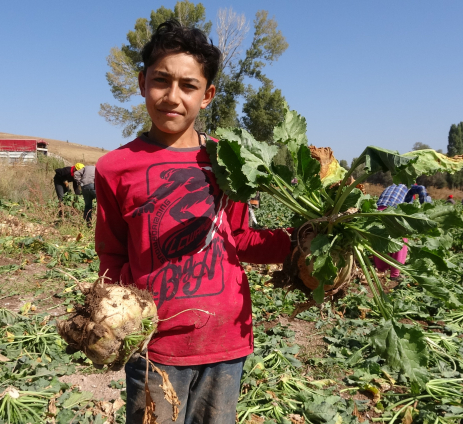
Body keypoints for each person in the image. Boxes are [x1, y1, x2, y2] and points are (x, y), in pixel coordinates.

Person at [94, 20, 291, 424]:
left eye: (188, 86)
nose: (172, 97)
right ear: (141, 82)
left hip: (225, 340)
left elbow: (243, 238)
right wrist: (115, 323)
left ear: (208, 95)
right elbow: (111, 253)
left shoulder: (228, 159)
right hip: (155, 346)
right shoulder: (115, 168)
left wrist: (304, 241)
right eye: (160, 81)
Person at [374, 184, 409, 280]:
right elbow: (409, 209)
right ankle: (395, 274)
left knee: (380, 238)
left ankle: (381, 269)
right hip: (393, 212)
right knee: (401, 241)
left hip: (378, 211)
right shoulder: (408, 189)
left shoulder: (390, 186)